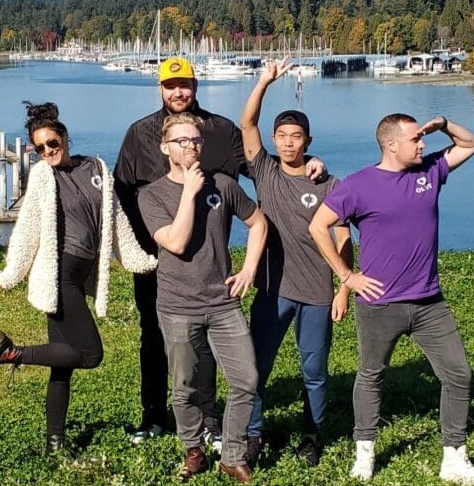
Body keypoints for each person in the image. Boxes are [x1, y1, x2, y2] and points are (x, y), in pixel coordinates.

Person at [114, 56, 324, 446]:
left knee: (206, 343)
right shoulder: (139, 133)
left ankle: (210, 420)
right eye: (170, 85)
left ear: (196, 86)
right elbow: (122, 193)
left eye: (186, 84)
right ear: (160, 88)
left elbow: (263, 170)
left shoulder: (220, 131)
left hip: (209, 264)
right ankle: (153, 415)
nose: (178, 92)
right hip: (154, 257)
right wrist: (135, 248)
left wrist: (306, 163)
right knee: (154, 337)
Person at [308, 112, 474, 486]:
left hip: (430, 303)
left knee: (458, 374)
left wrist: (442, 123)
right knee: (372, 375)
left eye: (422, 139)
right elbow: (317, 225)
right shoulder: (359, 185)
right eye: (415, 140)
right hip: (380, 304)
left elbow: (471, 144)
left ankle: (454, 459)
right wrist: (347, 277)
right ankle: (365, 454)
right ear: (391, 145)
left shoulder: (429, 171)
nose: (422, 144)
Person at [0, 103, 156, 455]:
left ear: (64, 138)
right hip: (60, 275)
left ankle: (55, 443)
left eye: (52, 144)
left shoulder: (96, 168)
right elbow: (28, 230)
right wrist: (8, 275)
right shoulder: (42, 176)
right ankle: (10, 353)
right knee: (91, 353)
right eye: (39, 149)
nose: (48, 152)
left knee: (61, 364)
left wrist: (143, 260)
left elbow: (116, 222)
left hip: (81, 272)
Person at [136, 112, 269, 482]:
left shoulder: (224, 185)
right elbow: (176, 242)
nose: (191, 146)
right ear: (166, 148)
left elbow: (258, 223)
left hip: (223, 303)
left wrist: (248, 270)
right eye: (182, 141)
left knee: (246, 380)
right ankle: (193, 449)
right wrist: (191, 194)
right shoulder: (151, 195)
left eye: (196, 140)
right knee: (185, 387)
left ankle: (232, 454)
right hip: (178, 306)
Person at [239, 57, 352, 467]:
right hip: (273, 290)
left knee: (315, 372)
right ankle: (253, 434)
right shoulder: (265, 172)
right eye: (282, 136)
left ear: (308, 140)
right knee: (256, 368)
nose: (288, 143)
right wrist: (263, 82)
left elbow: (343, 235)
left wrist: (343, 288)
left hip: (318, 293)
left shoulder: (327, 182)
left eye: (296, 137)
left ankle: (312, 435)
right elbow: (247, 126)